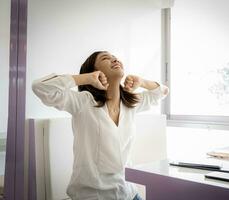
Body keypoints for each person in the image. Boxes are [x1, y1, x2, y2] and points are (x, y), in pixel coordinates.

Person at [32, 51, 169, 200]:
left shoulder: (131, 104)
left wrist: (142, 82)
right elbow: (40, 87)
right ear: (94, 71)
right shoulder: (83, 102)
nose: (114, 59)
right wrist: (85, 79)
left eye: (115, 57)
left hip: (128, 193)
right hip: (92, 195)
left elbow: (162, 91)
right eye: (105, 58)